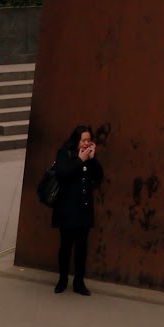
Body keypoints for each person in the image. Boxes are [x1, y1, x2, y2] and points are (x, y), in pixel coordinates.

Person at [52, 124, 103, 295]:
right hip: (67, 210)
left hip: (84, 210)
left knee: (82, 248)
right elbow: (62, 173)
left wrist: (93, 159)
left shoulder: (90, 158)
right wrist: (80, 160)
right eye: (84, 140)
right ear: (76, 141)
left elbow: (99, 177)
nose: (86, 143)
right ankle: (62, 280)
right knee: (65, 247)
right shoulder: (64, 154)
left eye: (89, 140)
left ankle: (79, 282)